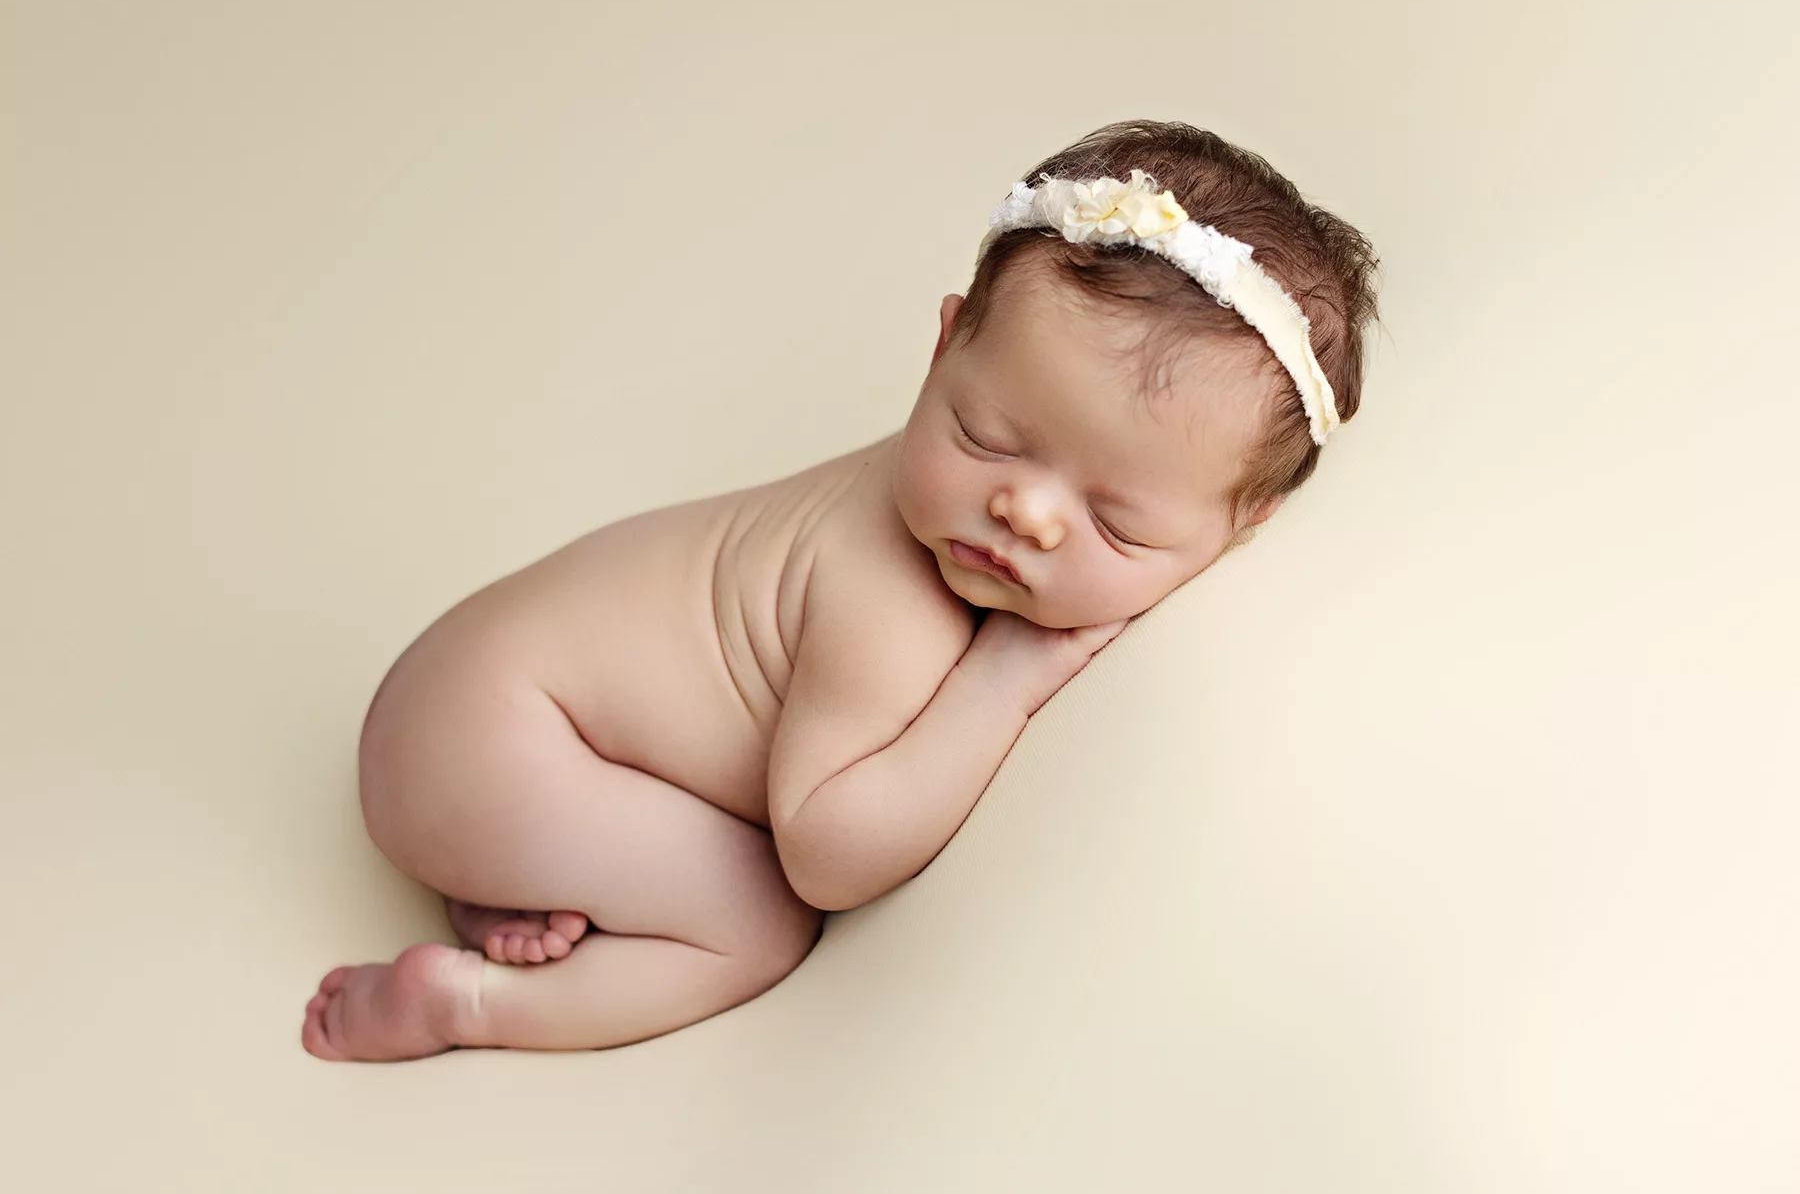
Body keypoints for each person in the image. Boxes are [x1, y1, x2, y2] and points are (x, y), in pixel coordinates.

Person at [301, 118, 1381, 1061]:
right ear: (944, 344)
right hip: (484, 743)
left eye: (1115, 520)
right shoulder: (888, 596)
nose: (1027, 514)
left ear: (1246, 529)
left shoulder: (987, 489)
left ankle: (519, 877)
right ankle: (469, 1003)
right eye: (986, 437)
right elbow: (825, 852)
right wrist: (1002, 681)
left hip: (482, 698)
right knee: (758, 923)